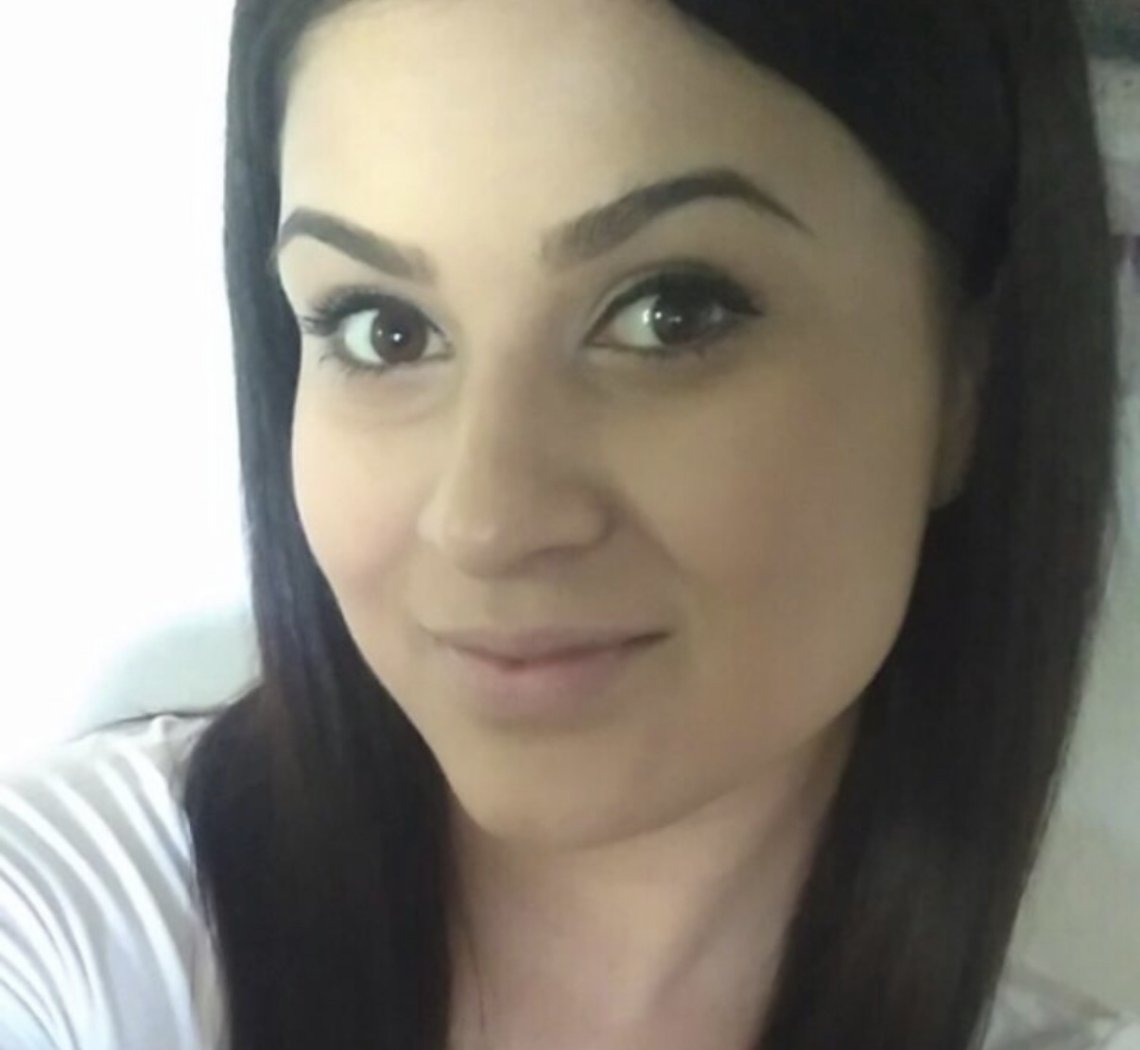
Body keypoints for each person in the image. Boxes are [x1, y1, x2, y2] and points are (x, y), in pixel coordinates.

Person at [2, 0, 1138, 1047]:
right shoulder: (73, 933)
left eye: (669, 313)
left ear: (972, 376)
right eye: (382, 329)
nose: (483, 523)